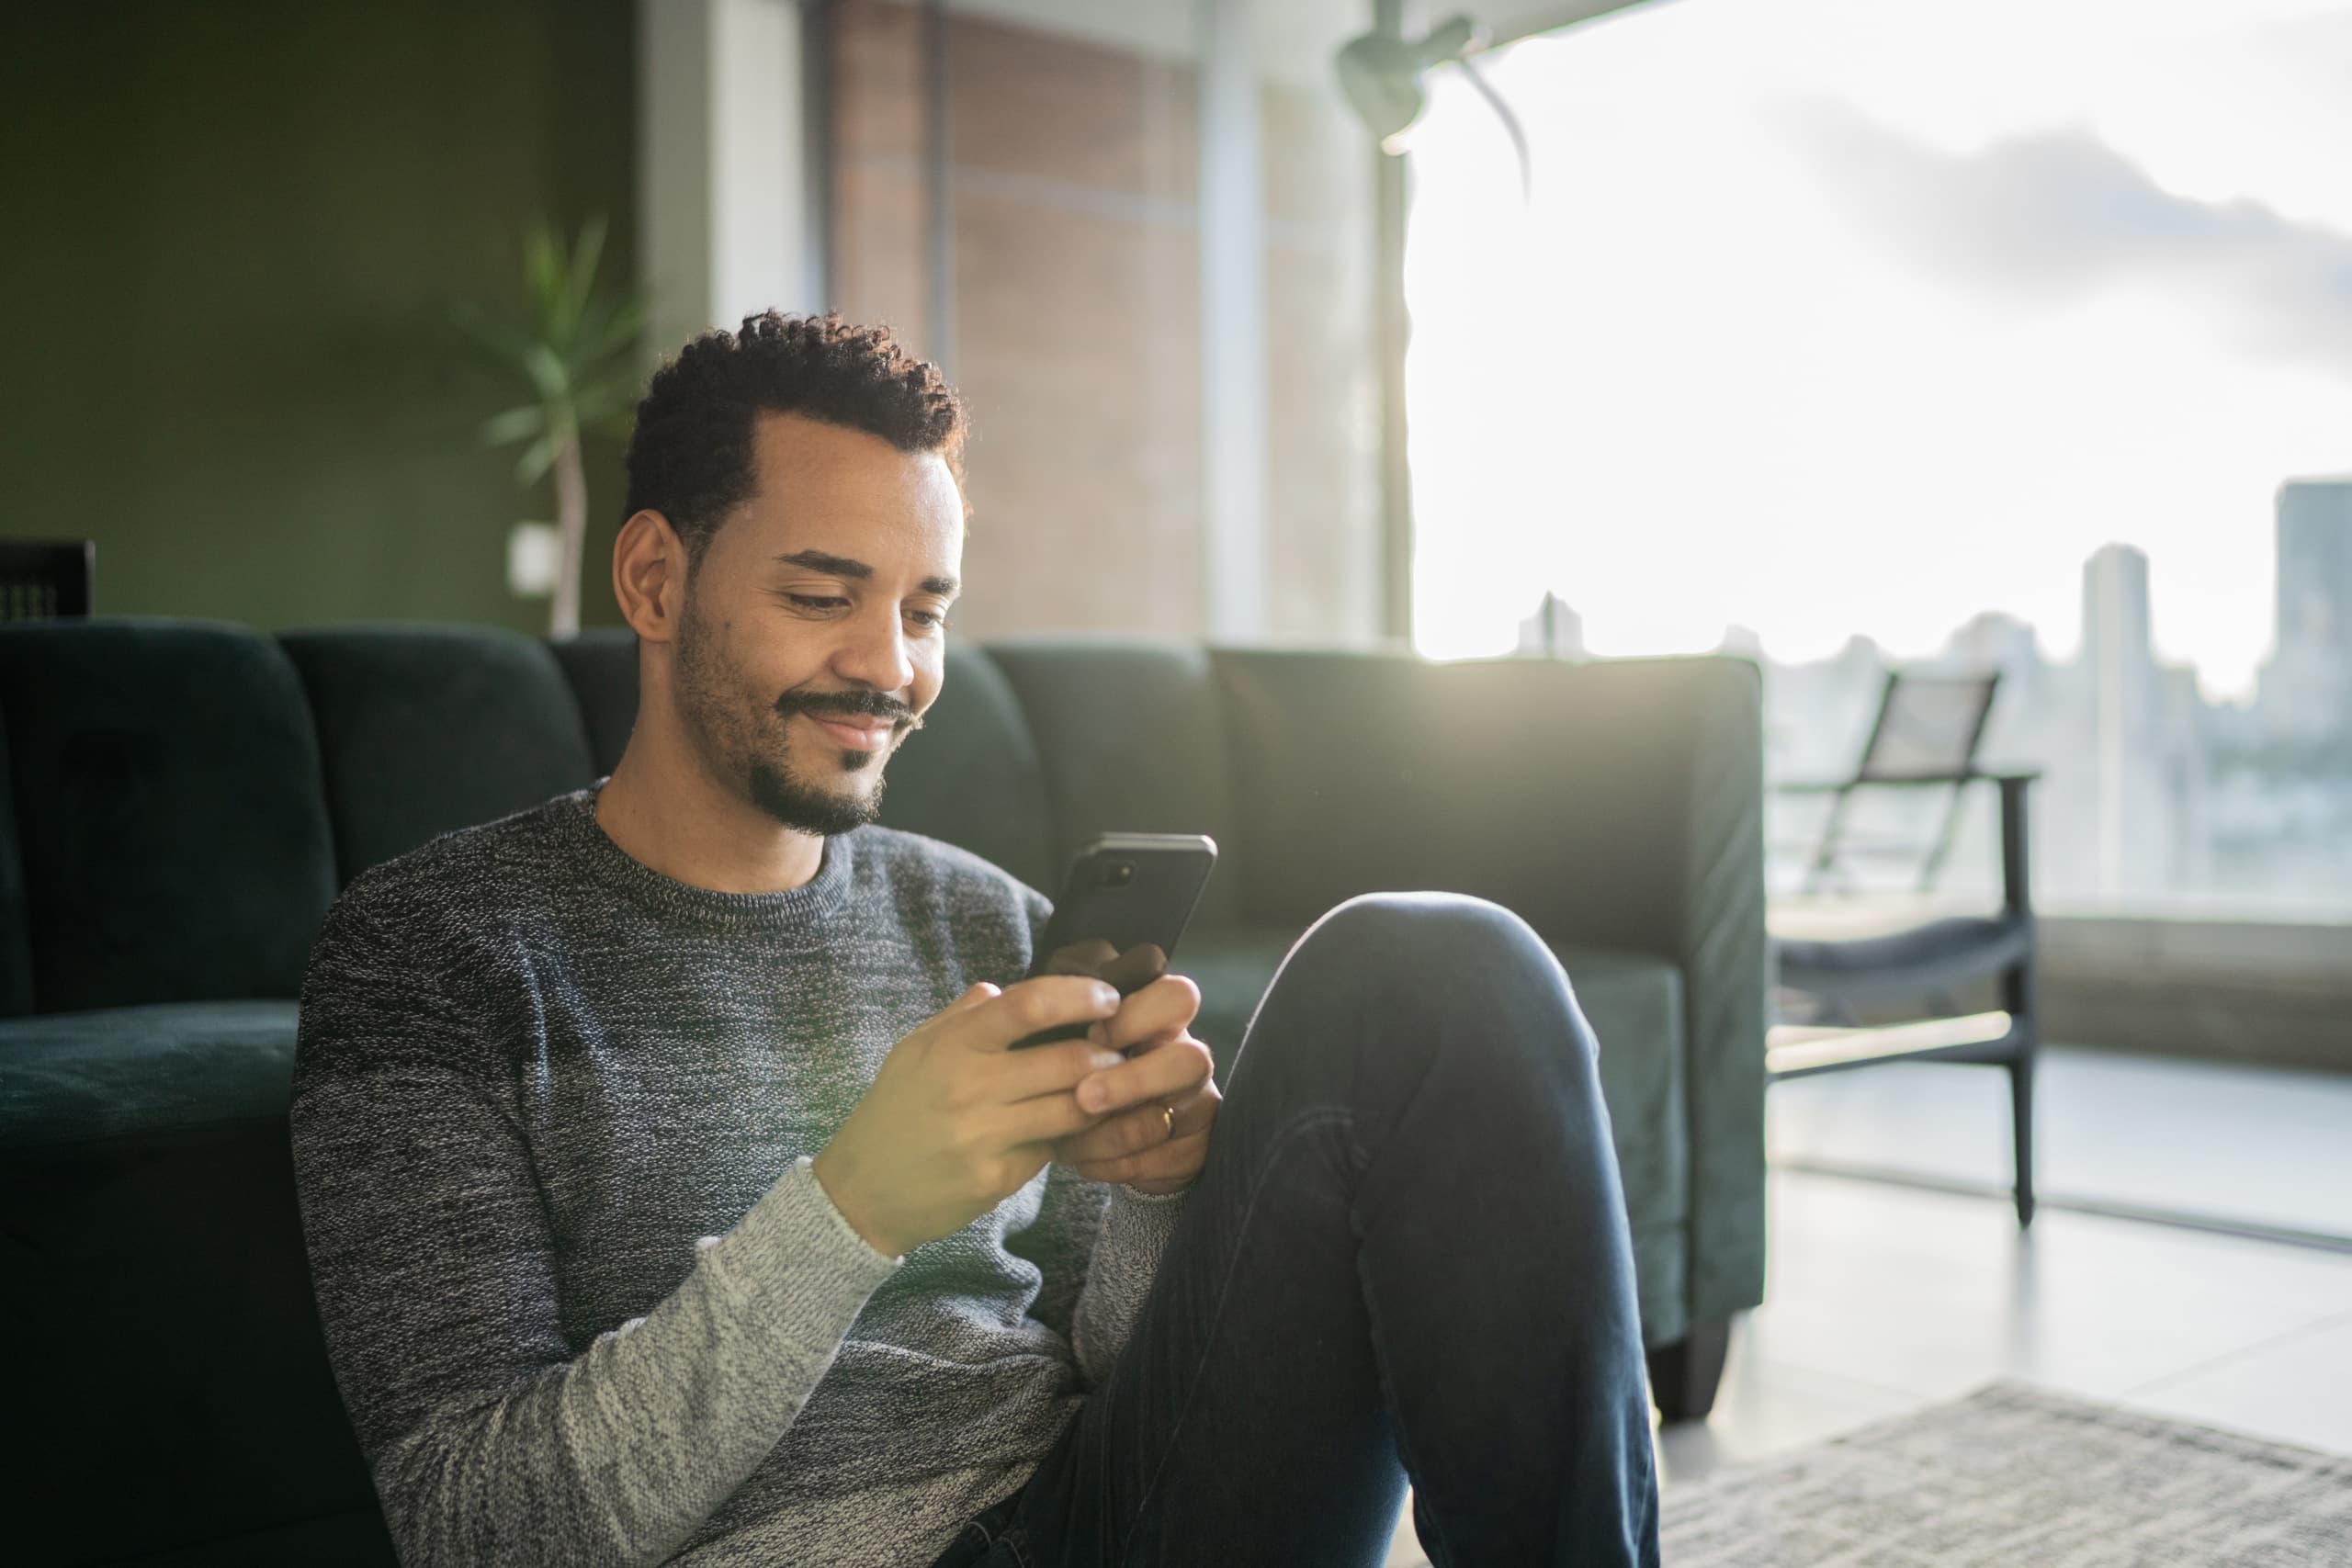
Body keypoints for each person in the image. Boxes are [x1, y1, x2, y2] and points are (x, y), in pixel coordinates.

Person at [288, 311, 1660, 1568]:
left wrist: (1156, 1193)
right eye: (823, 596)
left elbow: (1113, 1364)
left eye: (926, 609)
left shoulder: (980, 918)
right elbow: (473, 1529)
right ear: (653, 579)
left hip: (1105, 1520)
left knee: (1433, 966)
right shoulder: (433, 958)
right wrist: (852, 1207)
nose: (891, 665)